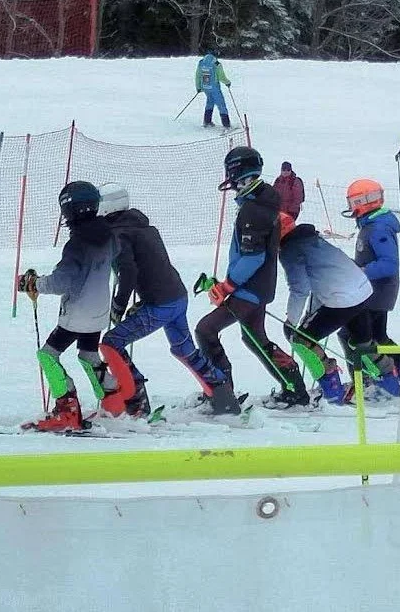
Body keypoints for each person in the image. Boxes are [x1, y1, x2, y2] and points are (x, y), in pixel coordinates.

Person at [102, 184, 237, 418]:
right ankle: (223, 396)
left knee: (111, 342)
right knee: (183, 349)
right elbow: (150, 266)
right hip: (175, 297)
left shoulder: (119, 234)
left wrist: (118, 306)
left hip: (161, 304)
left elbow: (129, 272)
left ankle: (135, 404)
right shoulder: (145, 227)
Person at [192, 147, 311, 410]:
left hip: (250, 289)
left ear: (238, 173)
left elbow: (252, 257)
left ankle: (222, 393)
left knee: (206, 329)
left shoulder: (253, 210)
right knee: (255, 338)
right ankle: (295, 389)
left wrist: (227, 285)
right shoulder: (260, 203)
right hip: (258, 287)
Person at [16, 181, 118, 432]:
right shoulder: (109, 235)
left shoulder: (78, 243)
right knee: (88, 354)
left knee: (47, 355)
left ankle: (67, 410)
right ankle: (114, 401)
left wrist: (34, 283)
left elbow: (61, 282)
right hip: (99, 311)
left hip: (77, 314)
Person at [276, 212, 385, 404]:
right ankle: (388, 383)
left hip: (342, 299)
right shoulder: (314, 239)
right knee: (360, 342)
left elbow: (300, 289)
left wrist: (291, 321)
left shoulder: (290, 250)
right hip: (363, 290)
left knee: (300, 339)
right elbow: (322, 280)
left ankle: (331, 391)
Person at [338, 179, 400, 399]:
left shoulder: (378, 228)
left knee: (356, 336)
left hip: (377, 292)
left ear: (366, 201)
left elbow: (389, 263)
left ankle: (371, 379)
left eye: (355, 200)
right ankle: (399, 374)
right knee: (375, 337)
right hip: (370, 291)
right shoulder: (370, 225)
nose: (352, 205)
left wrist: (361, 271)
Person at [195, 52, 232, 128]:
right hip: (214, 88)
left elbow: (198, 75)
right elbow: (221, 77)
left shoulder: (201, 62)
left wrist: (198, 87)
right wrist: (227, 82)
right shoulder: (216, 64)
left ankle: (207, 121)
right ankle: (226, 124)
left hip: (205, 87)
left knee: (210, 102)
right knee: (221, 105)